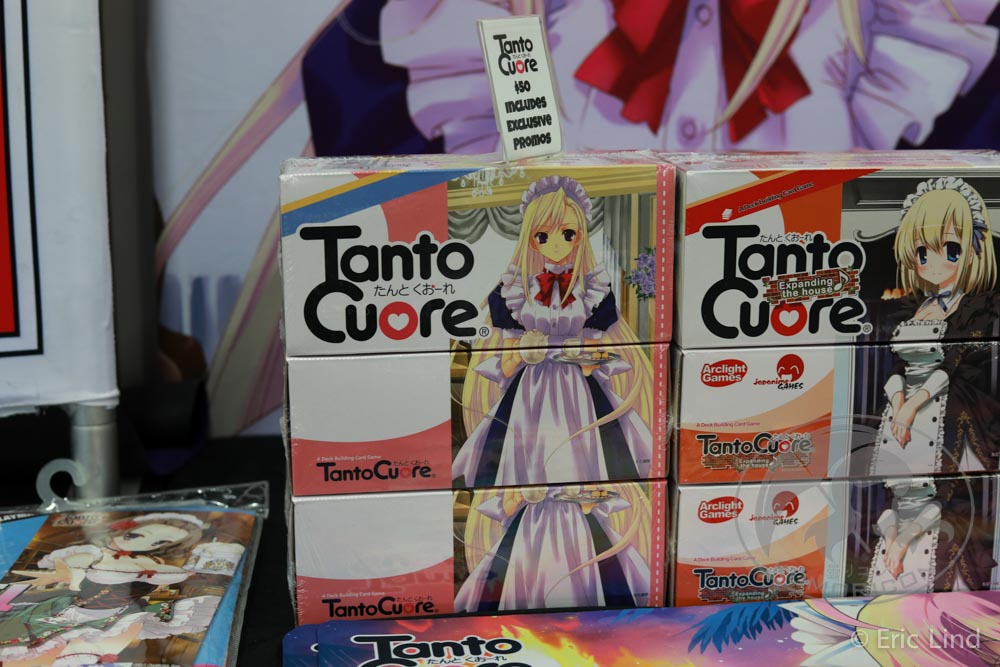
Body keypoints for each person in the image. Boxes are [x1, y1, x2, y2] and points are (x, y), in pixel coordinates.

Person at [454, 175, 654, 487]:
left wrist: (584, 357)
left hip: (577, 385)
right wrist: (522, 353)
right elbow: (508, 355)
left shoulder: (594, 288)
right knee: (526, 448)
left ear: (579, 236)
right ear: (532, 240)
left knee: (580, 449)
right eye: (543, 235)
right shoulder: (514, 290)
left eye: (567, 233)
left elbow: (594, 352)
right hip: (530, 383)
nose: (556, 243)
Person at [0, 513, 221, 667]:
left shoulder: (154, 564)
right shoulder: (90, 553)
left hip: (117, 616)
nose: (141, 544)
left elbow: (166, 580)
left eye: (158, 542)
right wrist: (71, 574)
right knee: (33, 646)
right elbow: (69, 578)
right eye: (135, 536)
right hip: (69, 608)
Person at [455, 484, 651, 612]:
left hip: (574, 525)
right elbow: (506, 507)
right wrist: (518, 499)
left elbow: (591, 502)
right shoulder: (522, 475)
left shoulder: (580, 473)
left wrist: (583, 498)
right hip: (531, 527)